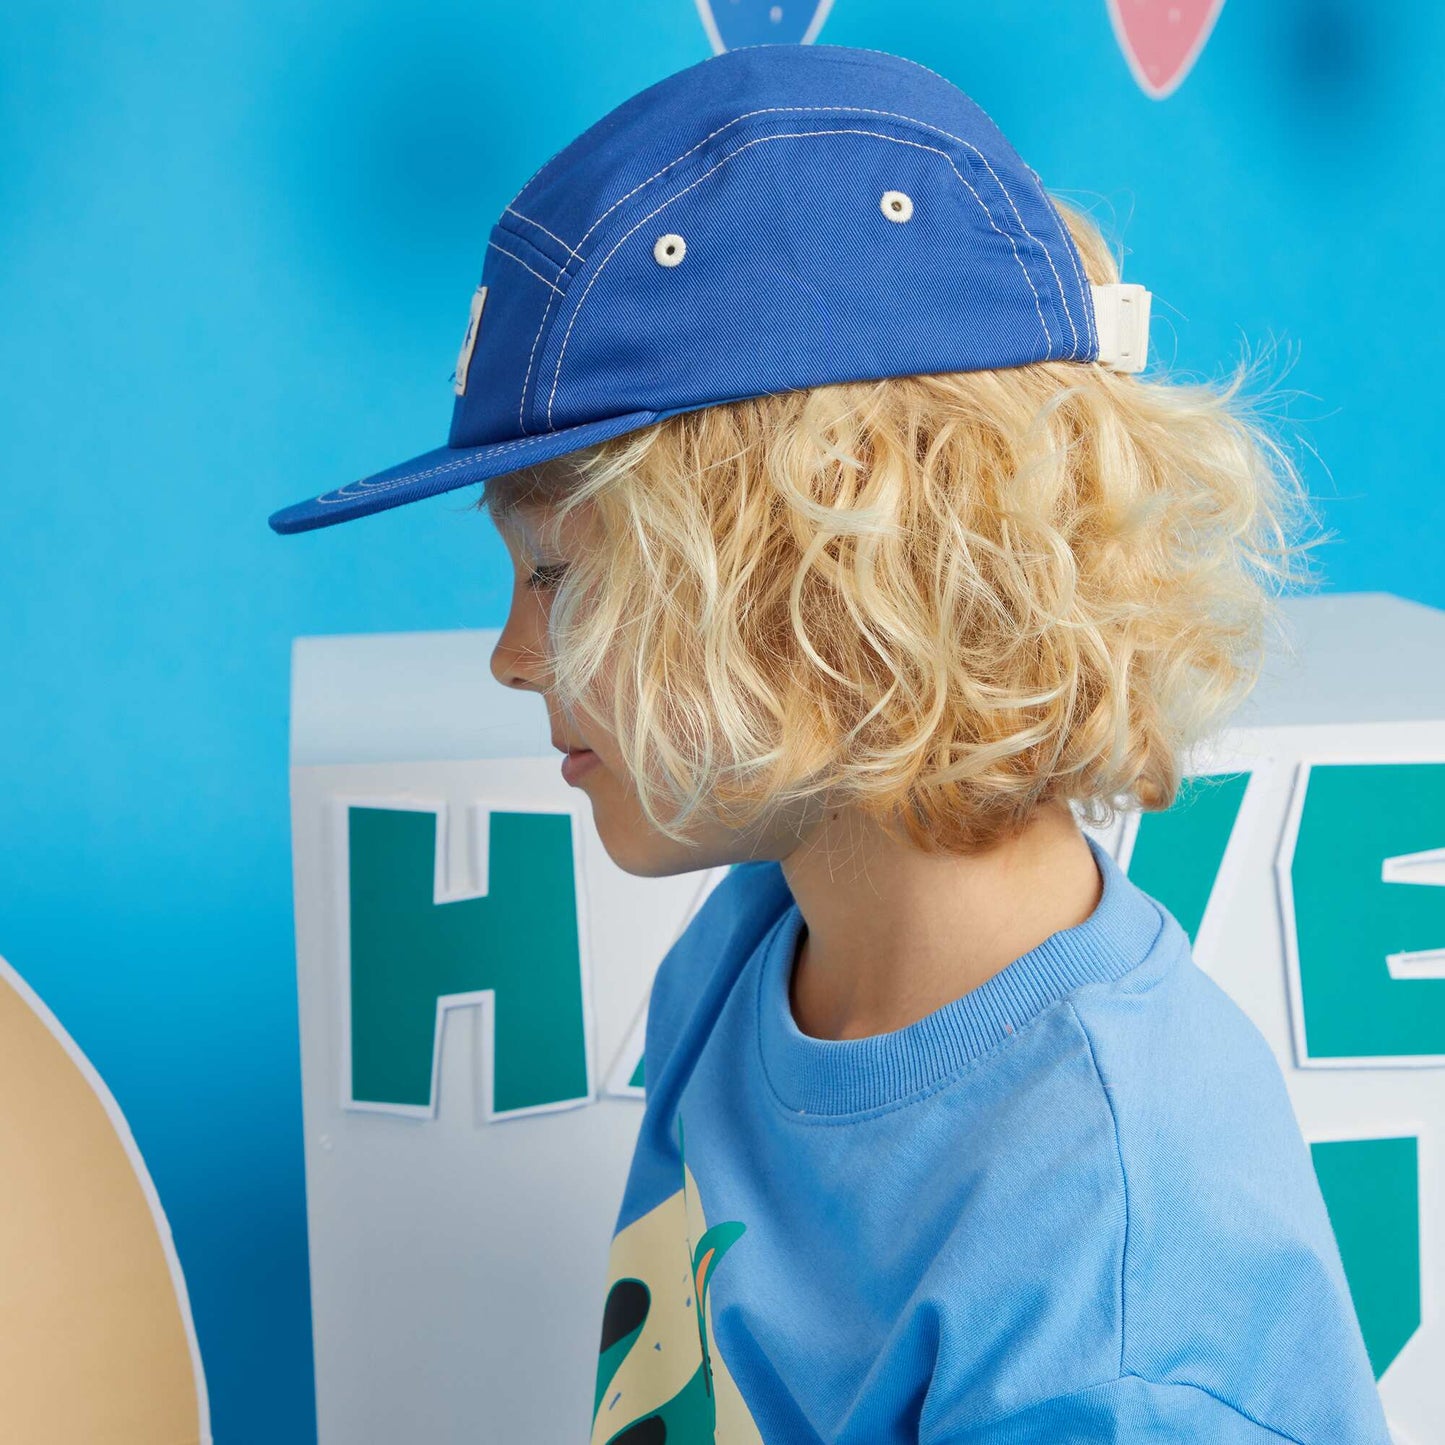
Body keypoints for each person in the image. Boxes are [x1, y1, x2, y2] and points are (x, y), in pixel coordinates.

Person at [269, 41, 1393, 1445]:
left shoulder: (1109, 1290)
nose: (509, 654)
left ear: (820, 575)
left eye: (556, 574)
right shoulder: (755, 953)